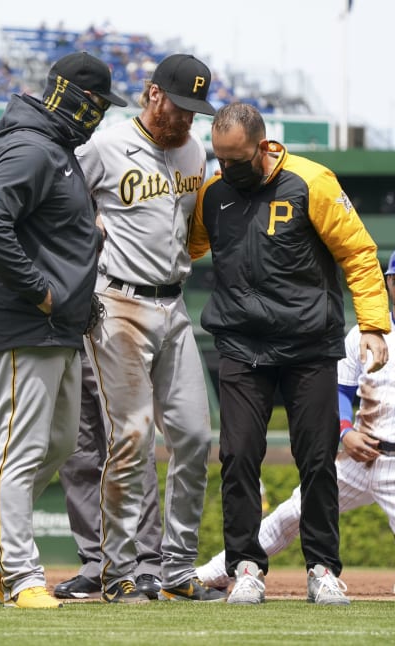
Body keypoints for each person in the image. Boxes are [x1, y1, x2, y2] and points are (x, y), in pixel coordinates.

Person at [189, 102, 390, 605]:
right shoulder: (213, 194)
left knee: (318, 459)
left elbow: (358, 253)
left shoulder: (312, 181)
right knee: (237, 457)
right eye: (218, 158)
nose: (224, 169)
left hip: (309, 345)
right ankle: (246, 569)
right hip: (240, 342)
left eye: (234, 159)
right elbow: (185, 246)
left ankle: (322, 569)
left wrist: (373, 325)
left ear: (262, 148)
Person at [0, 51, 127, 609]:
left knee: (58, 442)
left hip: (60, 326)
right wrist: (42, 289)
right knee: (20, 448)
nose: (100, 117)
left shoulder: (56, 149)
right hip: (29, 321)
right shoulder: (32, 147)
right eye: (96, 105)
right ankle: (21, 576)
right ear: (76, 99)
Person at [80, 53, 225, 604]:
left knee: (192, 436)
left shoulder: (193, 149)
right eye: (180, 106)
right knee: (133, 437)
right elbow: (62, 203)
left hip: (175, 305)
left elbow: (192, 227)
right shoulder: (104, 147)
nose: (187, 119)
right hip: (118, 301)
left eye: (195, 110)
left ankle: (177, 569)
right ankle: (117, 571)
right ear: (152, 94)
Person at [198, 250, 395, 598]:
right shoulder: (364, 333)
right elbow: (341, 389)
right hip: (358, 457)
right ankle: (214, 573)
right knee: (291, 513)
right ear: (389, 283)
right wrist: (346, 431)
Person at [55, 351, 163, 600]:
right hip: (65, 340)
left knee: (132, 451)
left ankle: (147, 565)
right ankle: (96, 562)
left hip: (112, 337)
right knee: (77, 457)